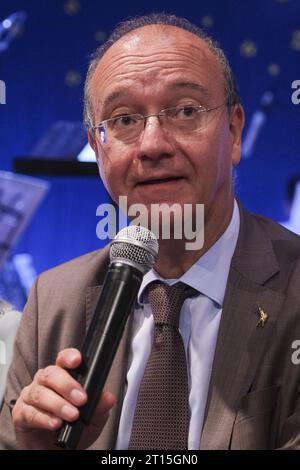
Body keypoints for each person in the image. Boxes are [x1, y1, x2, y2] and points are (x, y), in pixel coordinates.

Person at [1, 13, 300, 450]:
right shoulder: (54, 301)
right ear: (98, 148)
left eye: (184, 111)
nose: (153, 145)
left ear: (233, 132)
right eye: (123, 120)